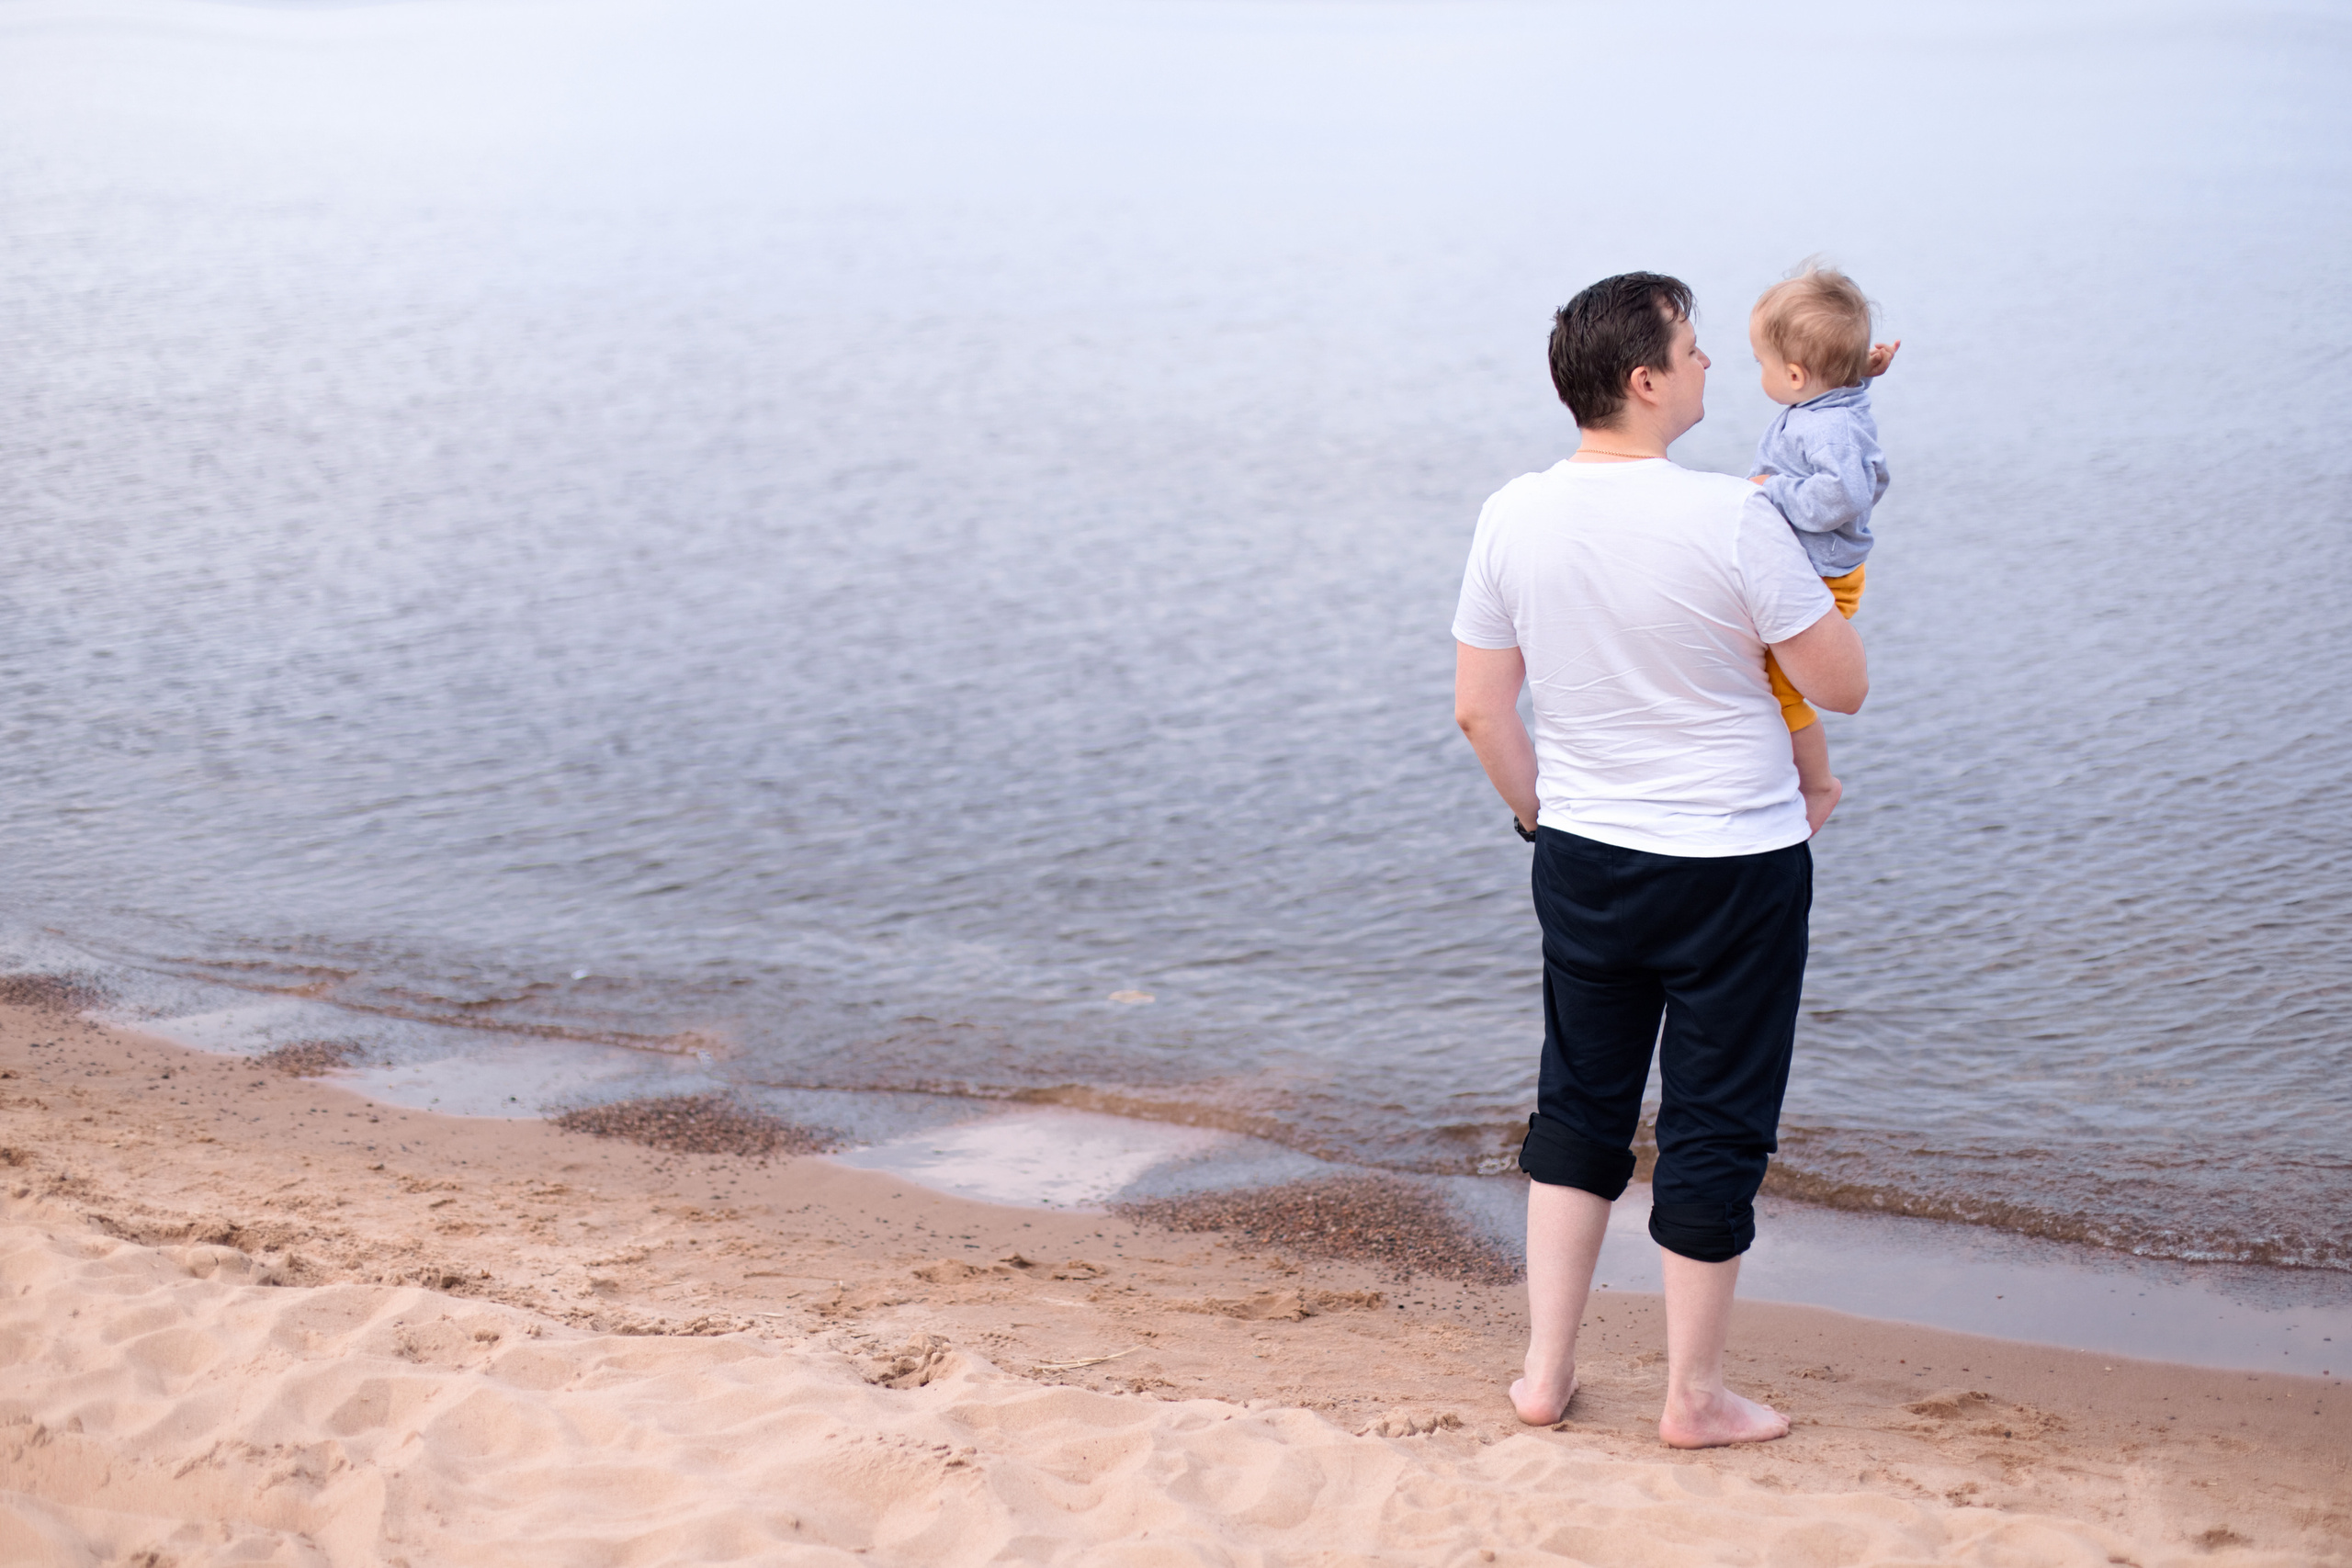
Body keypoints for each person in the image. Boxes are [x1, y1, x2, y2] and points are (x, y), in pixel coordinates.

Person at [1450, 272, 1868, 1449]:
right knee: (1713, 1121)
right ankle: (1690, 1397)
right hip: (1732, 866)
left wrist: (1545, 822)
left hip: (1586, 856)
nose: (1706, 368)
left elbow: (1483, 712)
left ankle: (1544, 1373)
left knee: (1578, 1105)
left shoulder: (1511, 512)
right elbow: (1843, 683)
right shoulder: (1732, 518)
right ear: (1643, 382)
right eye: (1690, 351)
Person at [1747, 263, 1899, 835]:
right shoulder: (1830, 401)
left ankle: (1817, 785)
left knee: (1783, 692)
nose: (1758, 374)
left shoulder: (1825, 427)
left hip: (1825, 572)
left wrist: (1775, 491)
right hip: (1816, 561)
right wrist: (1860, 371)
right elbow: (1842, 396)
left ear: (1793, 374)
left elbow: (1845, 493)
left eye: (1761, 364)